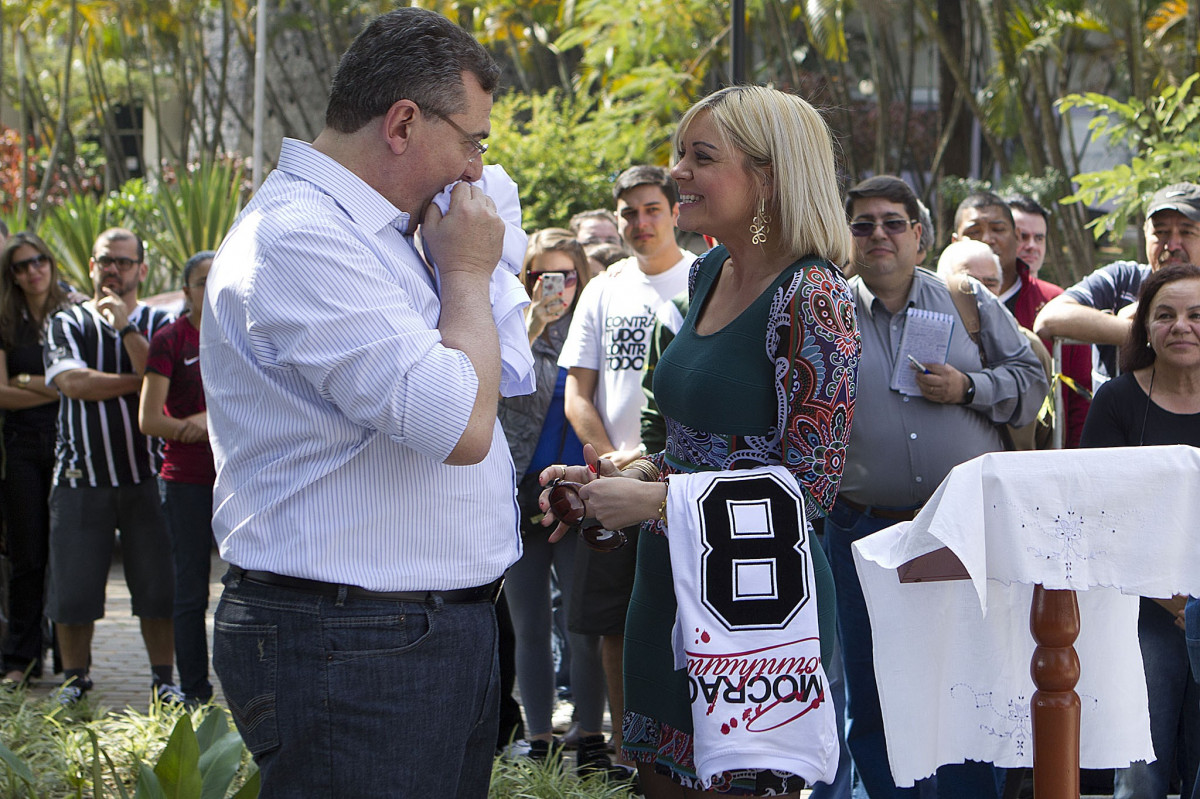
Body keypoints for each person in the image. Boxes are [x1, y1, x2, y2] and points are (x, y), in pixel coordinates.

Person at [201, 8, 521, 797]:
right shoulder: (300, 236)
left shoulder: (376, 233)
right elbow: (460, 421)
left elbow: (491, 374)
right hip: (353, 639)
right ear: (404, 122)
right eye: (473, 140)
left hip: (406, 631)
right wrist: (470, 275)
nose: (478, 169)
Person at [543, 85, 859, 797]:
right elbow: (694, 444)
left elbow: (808, 489)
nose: (677, 171)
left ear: (768, 176)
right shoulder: (711, 269)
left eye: (701, 156)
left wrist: (652, 502)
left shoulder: (815, 296)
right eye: (679, 153)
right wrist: (613, 481)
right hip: (667, 590)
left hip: (754, 615)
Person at [831, 176, 1046, 799]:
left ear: (920, 237)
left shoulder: (965, 300)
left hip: (961, 529)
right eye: (864, 224)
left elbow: (1032, 380)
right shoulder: (827, 313)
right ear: (849, 238)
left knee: (968, 689)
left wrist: (969, 389)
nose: (879, 235)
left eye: (893, 222)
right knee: (875, 690)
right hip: (864, 527)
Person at [558, 164, 692, 765]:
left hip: (680, 480)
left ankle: (688, 750)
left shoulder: (706, 282)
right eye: (628, 212)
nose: (640, 222)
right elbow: (576, 394)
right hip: (610, 482)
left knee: (681, 617)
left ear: (673, 211)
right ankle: (626, 752)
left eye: (651, 209)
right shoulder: (603, 288)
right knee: (615, 619)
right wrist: (604, 462)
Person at [43, 227, 178, 705]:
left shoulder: (162, 321)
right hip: (81, 478)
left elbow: (170, 380)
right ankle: (75, 681)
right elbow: (73, 383)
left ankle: (165, 681)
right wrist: (141, 383)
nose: (113, 270)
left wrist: (125, 328)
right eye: (105, 261)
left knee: (158, 588)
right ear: (92, 266)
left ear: (142, 269)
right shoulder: (66, 322)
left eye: (123, 261)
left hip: (149, 476)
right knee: (73, 592)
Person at [1079, 263, 1200, 799]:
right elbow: (1095, 514)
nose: (1182, 327)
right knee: (1142, 765)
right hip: (1143, 604)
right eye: (1166, 315)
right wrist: (1175, 604)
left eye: (1197, 315)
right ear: (1144, 327)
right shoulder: (1118, 401)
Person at [496, 228, 614, 773]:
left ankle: (590, 733)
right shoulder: (510, 329)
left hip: (580, 490)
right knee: (528, 621)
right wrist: (530, 325)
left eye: (567, 275)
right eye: (543, 275)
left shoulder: (593, 332)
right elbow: (490, 391)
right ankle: (540, 735)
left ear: (581, 278)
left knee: (583, 623)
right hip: (520, 493)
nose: (557, 287)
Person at [137, 251, 216, 706]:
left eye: (217, 279)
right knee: (190, 590)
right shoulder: (170, 339)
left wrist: (212, 419)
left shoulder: (242, 333)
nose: (210, 288)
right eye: (202, 282)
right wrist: (193, 425)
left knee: (247, 582)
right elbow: (150, 419)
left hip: (236, 479)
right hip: (184, 479)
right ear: (186, 291)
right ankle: (195, 693)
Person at [953, 191, 1091, 446]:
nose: (987, 240)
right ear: (955, 240)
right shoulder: (935, 301)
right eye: (974, 231)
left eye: (998, 229)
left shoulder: (1055, 303)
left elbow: (1078, 396)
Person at [1035, 182, 1200, 379]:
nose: (1172, 245)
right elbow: (1048, 319)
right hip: (1116, 410)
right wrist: (1137, 330)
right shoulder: (1123, 278)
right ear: (1145, 234)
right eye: (1160, 232)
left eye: (1187, 232)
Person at [0, 232, 68, 685]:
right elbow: (2, 395)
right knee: (27, 556)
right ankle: (20, 662)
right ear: (12, 276)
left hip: (68, 444)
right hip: (21, 447)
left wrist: (27, 380)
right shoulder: (5, 321)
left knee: (66, 555)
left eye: (39, 260)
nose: (32, 271)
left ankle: (70, 665)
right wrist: (54, 383)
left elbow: (79, 384)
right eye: (21, 266)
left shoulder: (71, 314)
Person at [1006, 194, 1049, 278]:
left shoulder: (1057, 291)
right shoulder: (978, 290)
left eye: (1039, 238)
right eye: (1022, 237)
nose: (1032, 246)